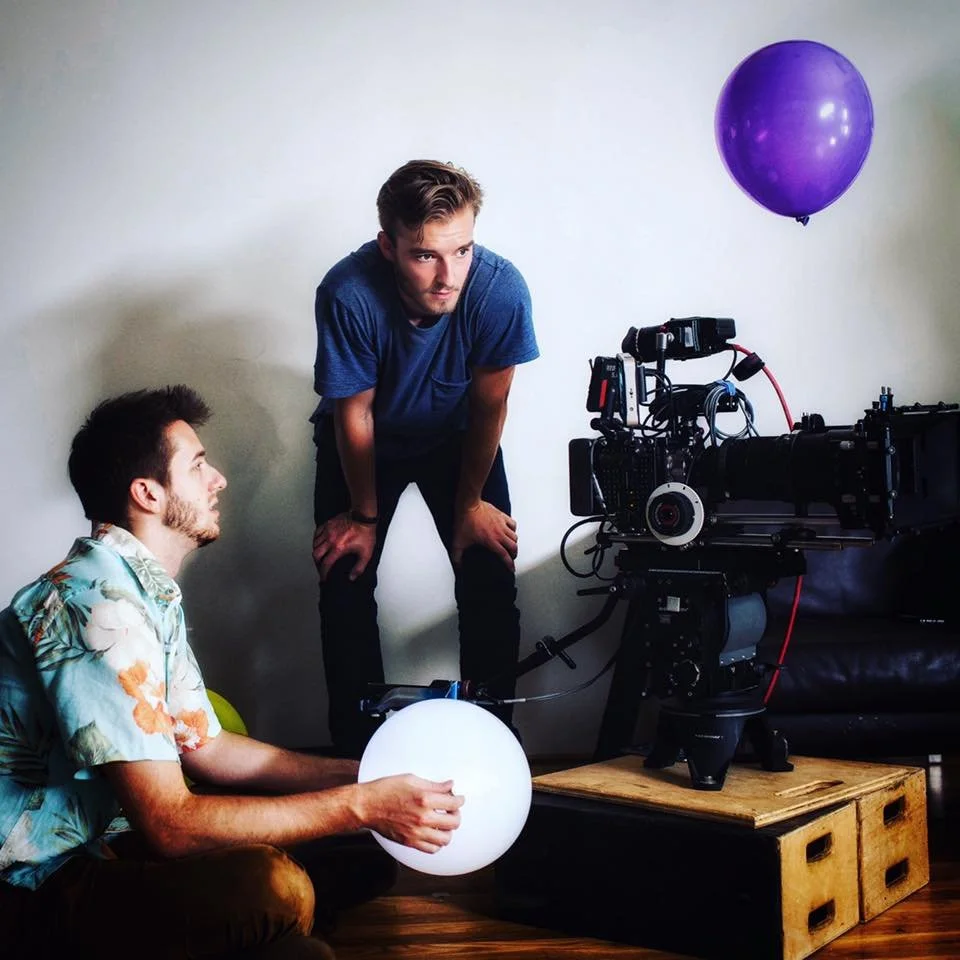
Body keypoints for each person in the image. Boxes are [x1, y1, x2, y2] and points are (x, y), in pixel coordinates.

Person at [0, 386, 464, 960]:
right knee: (277, 890)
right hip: (32, 883)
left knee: (361, 857)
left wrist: (363, 776)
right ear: (147, 493)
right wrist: (361, 805)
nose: (218, 480)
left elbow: (208, 747)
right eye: (197, 466)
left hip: (105, 840)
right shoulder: (99, 605)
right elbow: (169, 824)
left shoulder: (141, 591)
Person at [311, 160, 539, 759]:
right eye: (424, 256)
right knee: (345, 575)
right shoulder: (347, 292)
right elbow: (355, 415)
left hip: (457, 437)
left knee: (488, 566)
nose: (448, 276)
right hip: (367, 438)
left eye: (461, 251)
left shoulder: (499, 290)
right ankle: (358, 757)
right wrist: (363, 517)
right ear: (388, 246)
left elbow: (490, 406)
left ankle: (493, 743)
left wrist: (471, 504)